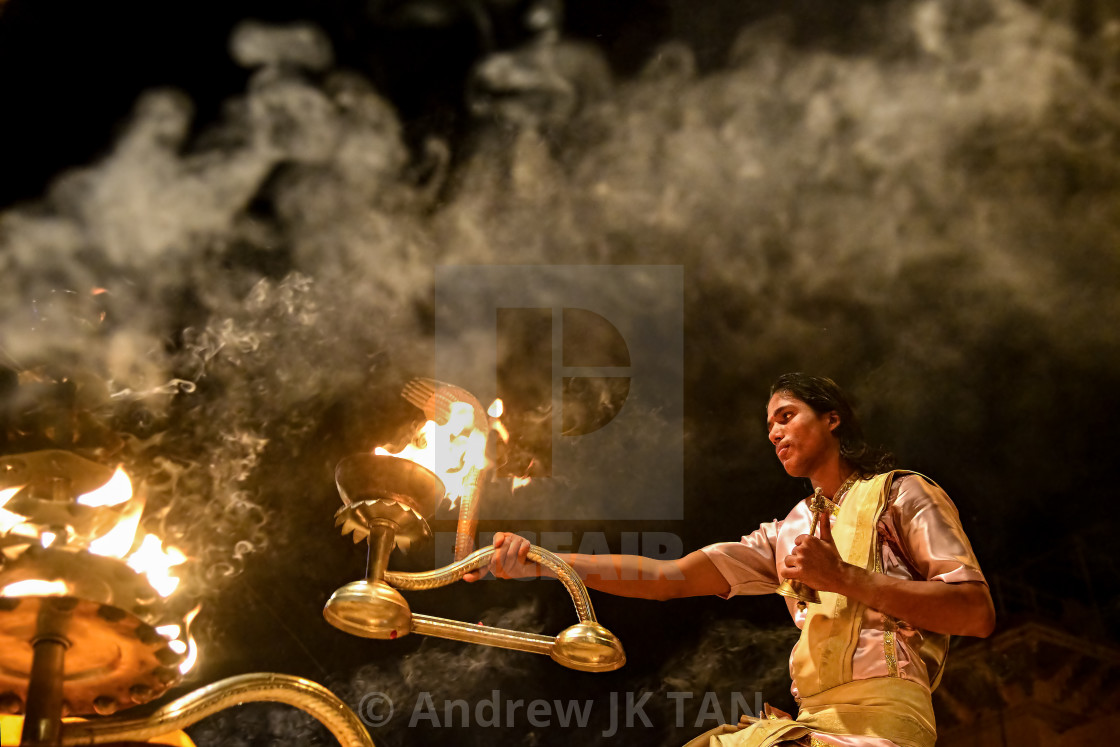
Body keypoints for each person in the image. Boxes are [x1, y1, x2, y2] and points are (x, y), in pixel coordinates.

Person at [467, 373, 995, 747]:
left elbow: (974, 612)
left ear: (832, 419)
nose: (774, 433)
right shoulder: (785, 532)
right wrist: (545, 562)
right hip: (811, 723)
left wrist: (842, 578)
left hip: (884, 726)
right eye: (769, 425)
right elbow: (666, 579)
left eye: (786, 416)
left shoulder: (902, 494)